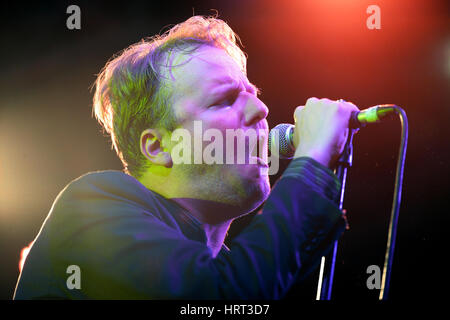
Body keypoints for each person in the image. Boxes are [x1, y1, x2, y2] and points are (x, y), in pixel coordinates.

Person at [14, 15, 358, 299]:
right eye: (224, 99)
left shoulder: (230, 267)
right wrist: (310, 165)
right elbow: (219, 296)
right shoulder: (89, 206)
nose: (261, 109)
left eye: (253, 94)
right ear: (159, 147)